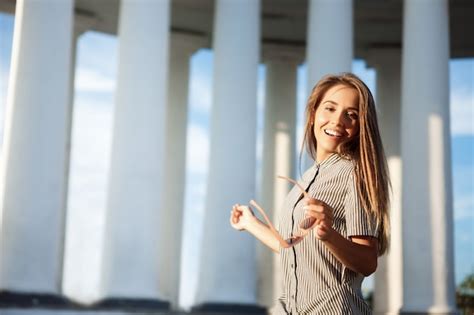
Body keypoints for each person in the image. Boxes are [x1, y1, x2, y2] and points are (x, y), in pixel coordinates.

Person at [229, 73, 390, 314]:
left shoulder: (354, 173)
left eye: (351, 115)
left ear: (360, 126)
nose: (338, 121)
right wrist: (251, 223)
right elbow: (292, 247)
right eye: (330, 108)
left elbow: (367, 262)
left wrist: (329, 235)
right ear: (314, 113)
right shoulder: (307, 179)